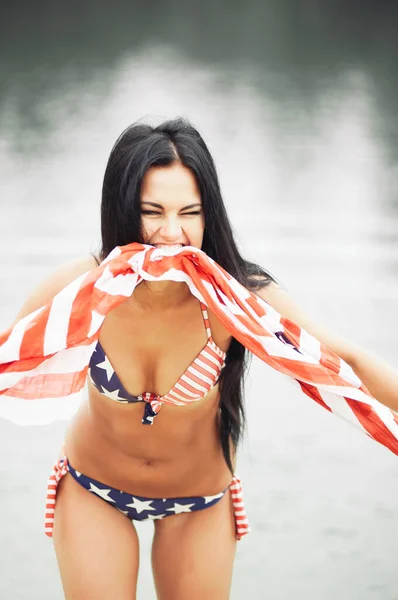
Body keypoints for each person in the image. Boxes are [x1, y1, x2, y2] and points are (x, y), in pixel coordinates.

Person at [9, 118, 398, 600]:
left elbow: (345, 361)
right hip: (94, 490)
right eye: (152, 212)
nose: (171, 234)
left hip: (199, 501)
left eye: (189, 213)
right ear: (120, 209)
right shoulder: (82, 291)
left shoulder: (237, 301)